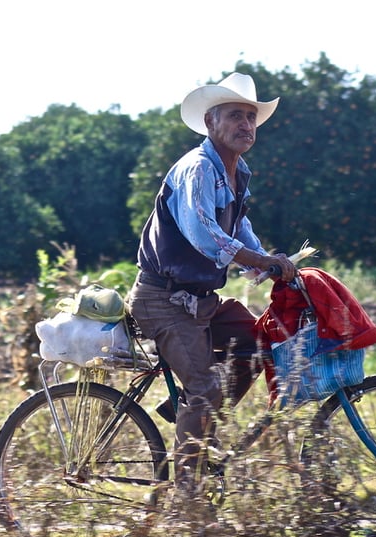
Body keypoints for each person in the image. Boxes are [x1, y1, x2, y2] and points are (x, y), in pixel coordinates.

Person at [125, 72, 296, 496]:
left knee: (258, 344)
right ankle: (187, 496)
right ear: (210, 123)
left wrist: (274, 267)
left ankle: (194, 420)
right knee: (203, 387)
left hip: (200, 299)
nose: (246, 125)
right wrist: (258, 260)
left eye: (251, 117)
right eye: (235, 116)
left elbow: (241, 230)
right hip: (162, 299)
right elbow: (203, 232)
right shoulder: (198, 169)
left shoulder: (237, 173)